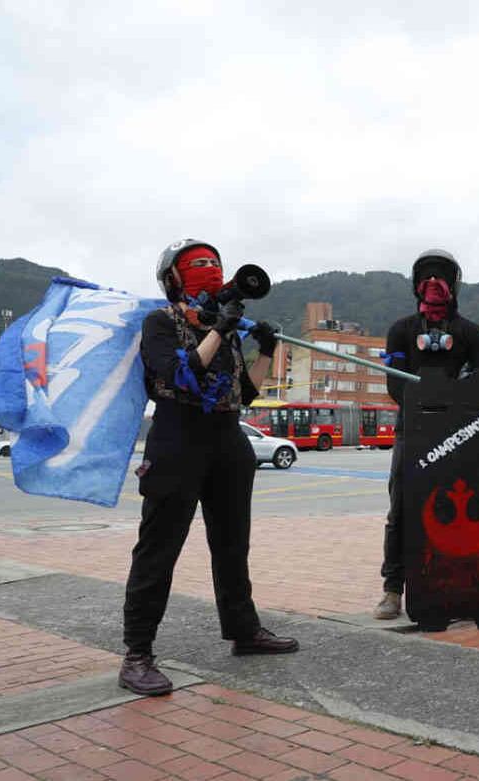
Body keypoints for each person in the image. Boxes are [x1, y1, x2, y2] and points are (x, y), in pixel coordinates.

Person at [121, 239, 298, 696]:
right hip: (178, 439)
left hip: (227, 439)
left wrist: (265, 349)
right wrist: (219, 330)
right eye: (198, 265)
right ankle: (137, 654)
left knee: (232, 544)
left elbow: (246, 392)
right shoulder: (160, 323)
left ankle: (244, 631)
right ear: (173, 278)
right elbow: (176, 376)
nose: (211, 271)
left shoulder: (228, 330)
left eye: (215, 264)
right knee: (159, 549)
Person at [373, 249, 479, 620]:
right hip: (412, 431)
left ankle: (459, 584)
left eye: (442, 276)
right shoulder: (401, 330)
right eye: (427, 277)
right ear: (415, 285)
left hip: (459, 435)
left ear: (455, 285)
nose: (434, 284)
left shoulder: (471, 333)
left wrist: (456, 404)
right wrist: (427, 404)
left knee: (457, 507)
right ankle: (393, 589)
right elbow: (396, 387)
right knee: (401, 510)